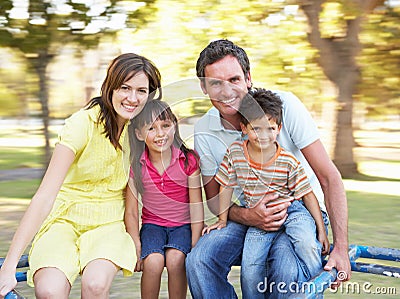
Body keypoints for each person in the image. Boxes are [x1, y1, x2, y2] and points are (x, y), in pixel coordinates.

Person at [186, 39, 350, 298]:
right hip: (250, 211)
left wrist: (341, 247)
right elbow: (215, 200)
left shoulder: (284, 106)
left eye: (234, 79)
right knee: (199, 260)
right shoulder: (204, 131)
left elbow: (329, 178)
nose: (226, 91)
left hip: (302, 210)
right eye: (215, 83)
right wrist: (250, 216)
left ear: (248, 79)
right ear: (203, 87)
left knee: (285, 267)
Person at [0, 53, 162, 299]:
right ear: (110, 87)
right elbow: (44, 196)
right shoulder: (82, 124)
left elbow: (132, 193)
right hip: (64, 219)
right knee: (50, 291)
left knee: (96, 285)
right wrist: (9, 265)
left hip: (108, 224)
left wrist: (134, 239)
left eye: (141, 91)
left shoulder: (139, 131)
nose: (132, 98)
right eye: (125, 88)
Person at [202, 88, 330, 298]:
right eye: (256, 129)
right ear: (244, 128)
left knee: (305, 242)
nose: (263, 136)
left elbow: (307, 194)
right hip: (258, 216)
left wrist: (321, 231)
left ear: (278, 128)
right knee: (251, 267)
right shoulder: (235, 153)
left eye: (270, 128)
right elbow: (226, 186)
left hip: (292, 209)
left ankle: (315, 289)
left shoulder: (287, 160)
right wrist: (222, 220)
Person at [124, 100, 204, 299]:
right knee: (153, 261)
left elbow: (196, 205)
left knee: (176, 259)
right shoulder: (136, 164)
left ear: (174, 127)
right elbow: (132, 212)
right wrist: (135, 244)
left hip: (182, 226)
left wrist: (195, 244)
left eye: (165, 125)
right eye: (151, 128)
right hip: (153, 226)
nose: (160, 134)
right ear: (139, 134)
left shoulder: (188, 160)